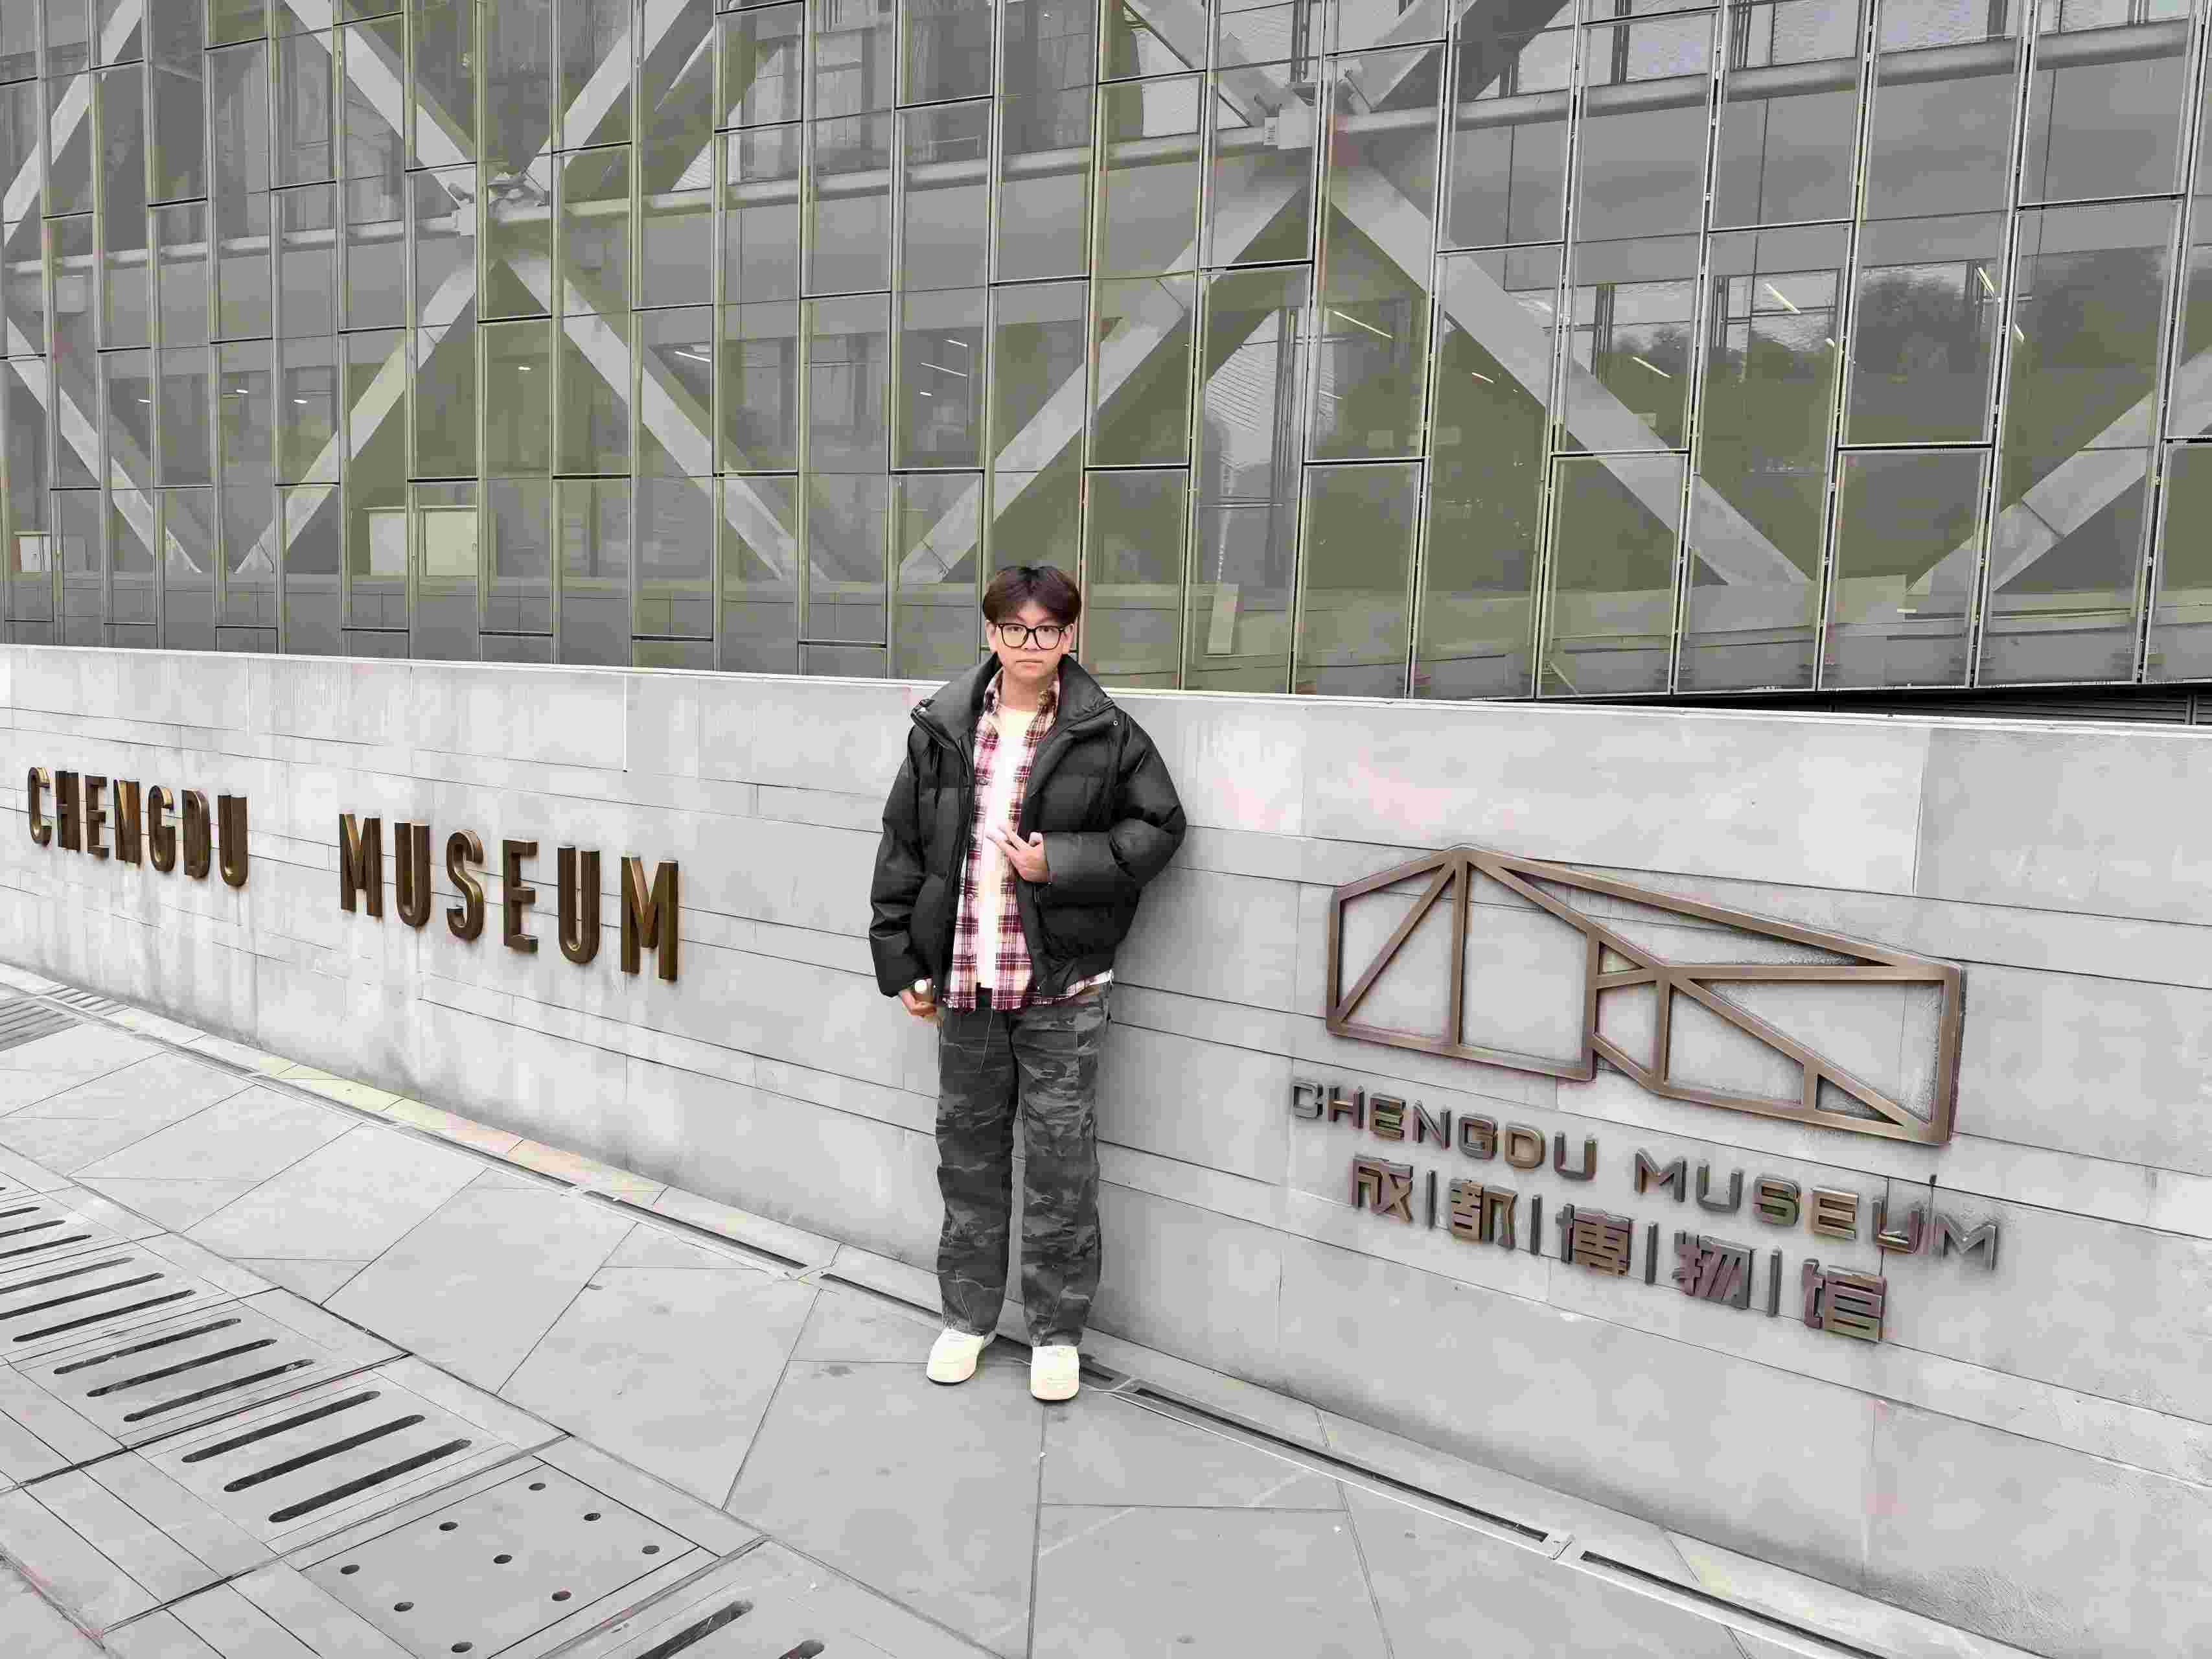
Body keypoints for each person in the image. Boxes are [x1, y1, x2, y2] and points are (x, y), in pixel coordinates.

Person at [869, 564, 1186, 1402]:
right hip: (967, 983)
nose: (1030, 644)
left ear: (1070, 635)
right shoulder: (943, 728)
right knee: (967, 1159)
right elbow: (902, 848)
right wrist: (904, 961)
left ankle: (1056, 1334)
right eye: (1015, 629)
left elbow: (1160, 826)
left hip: (1063, 990)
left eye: (1047, 629)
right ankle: (967, 1319)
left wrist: (1061, 863)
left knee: (1060, 1166)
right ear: (991, 633)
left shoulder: (1105, 731)